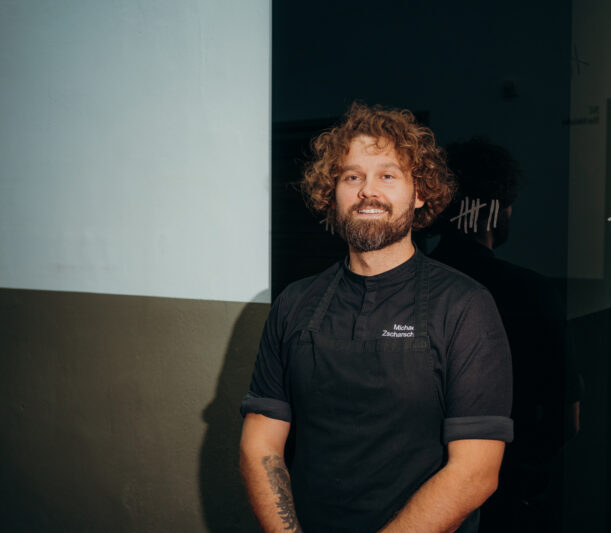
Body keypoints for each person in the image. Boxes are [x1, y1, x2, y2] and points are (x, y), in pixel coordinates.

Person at [239, 103, 513, 533]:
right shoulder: (295, 304)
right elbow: (261, 444)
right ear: (333, 192)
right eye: (352, 177)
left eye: (387, 175)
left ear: (419, 192)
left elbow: (475, 472)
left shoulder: (465, 307)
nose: (368, 191)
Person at [429, 139, 583, 532]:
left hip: (417, 493)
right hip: (509, 496)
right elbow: (566, 419)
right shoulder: (530, 291)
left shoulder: (403, 288)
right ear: (497, 210)